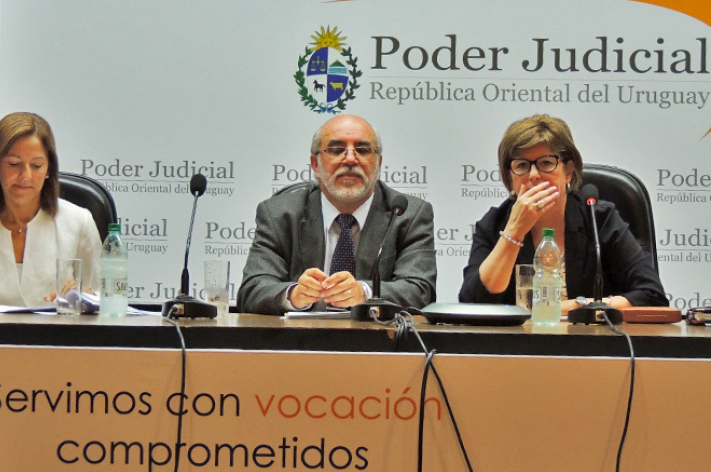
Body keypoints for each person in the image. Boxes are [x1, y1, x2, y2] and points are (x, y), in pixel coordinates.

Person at [458, 114, 667, 312]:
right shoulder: (494, 224)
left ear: (568, 171)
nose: (533, 175)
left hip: (590, 336)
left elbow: (652, 296)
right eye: (521, 165)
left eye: (546, 163)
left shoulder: (598, 219)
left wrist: (575, 307)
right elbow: (472, 304)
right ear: (510, 177)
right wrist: (514, 232)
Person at [237, 114, 437, 315]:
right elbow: (253, 290)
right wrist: (292, 295)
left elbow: (420, 291)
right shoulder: (280, 214)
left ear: (378, 163)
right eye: (336, 150)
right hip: (301, 334)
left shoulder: (407, 214)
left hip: (377, 334)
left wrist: (365, 293)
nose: (350, 159)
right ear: (315, 164)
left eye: (362, 150)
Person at [0, 112, 101, 309]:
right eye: (14, 164)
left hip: (58, 329)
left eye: (37, 165)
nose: (26, 176)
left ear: (49, 170)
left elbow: (106, 299)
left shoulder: (79, 222)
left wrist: (88, 296)